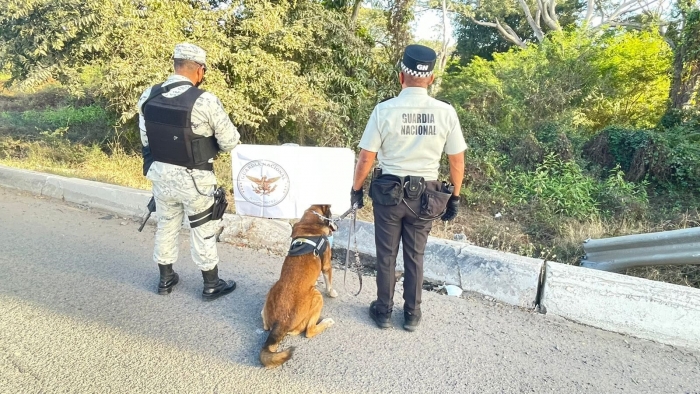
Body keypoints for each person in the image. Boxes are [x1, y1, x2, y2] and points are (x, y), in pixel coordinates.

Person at [350, 44, 467, 331]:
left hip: (389, 194)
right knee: (415, 256)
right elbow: (456, 161)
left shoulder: (384, 110)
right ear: (432, 78)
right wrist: (454, 197)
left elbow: (367, 156)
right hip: (426, 197)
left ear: (401, 76)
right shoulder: (445, 112)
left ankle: (384, 311)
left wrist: (356, 190)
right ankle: (412, 315)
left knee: (386, 255)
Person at [137, 43, 241, 300]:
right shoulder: (205, 100)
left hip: (161, 175)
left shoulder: (148, 95)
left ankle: (165, 279)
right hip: (195, 178)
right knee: (203, 229)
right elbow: (230, 142)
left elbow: (145, 139)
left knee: (166, 225)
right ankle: (211, 284)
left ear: (175, 64)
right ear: (200, 70)